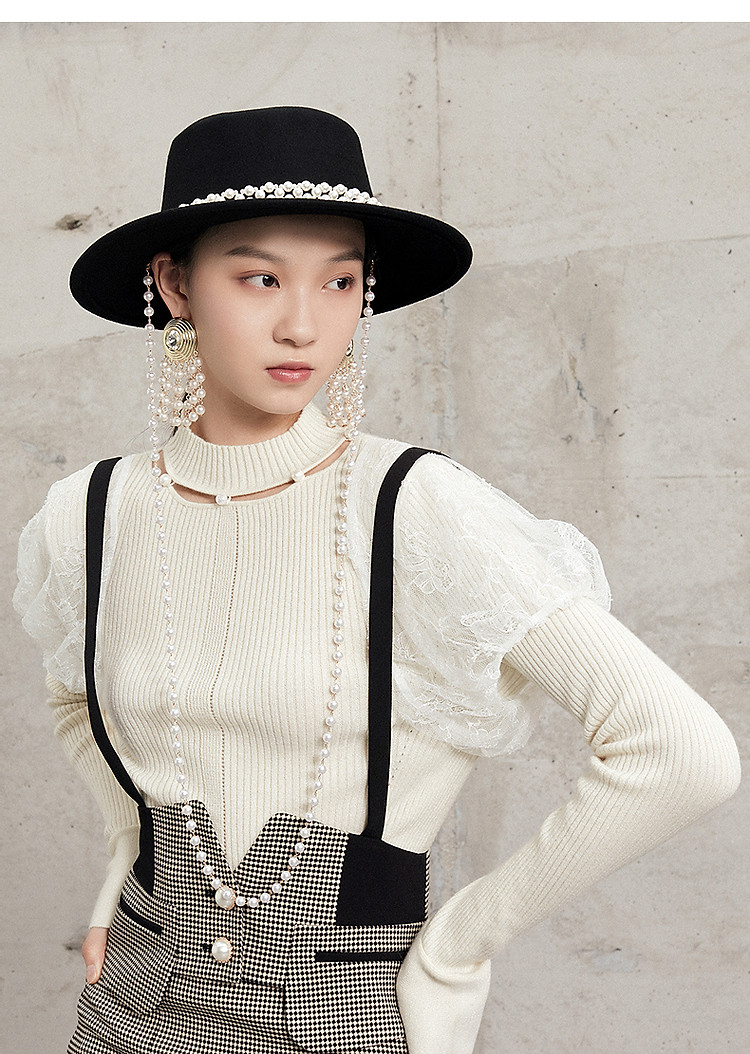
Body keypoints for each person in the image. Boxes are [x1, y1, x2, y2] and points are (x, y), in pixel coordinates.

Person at [14, 107, 740, 1054]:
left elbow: (680, 751)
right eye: (260, 277)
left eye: (340, 280)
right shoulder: (88, 510)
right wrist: (123, 861)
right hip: (132, 1008)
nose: (303, 324)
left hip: (345, 1014)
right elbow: (77, 699)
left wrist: (458, 946)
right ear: (175, 284)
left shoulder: (415, 506)